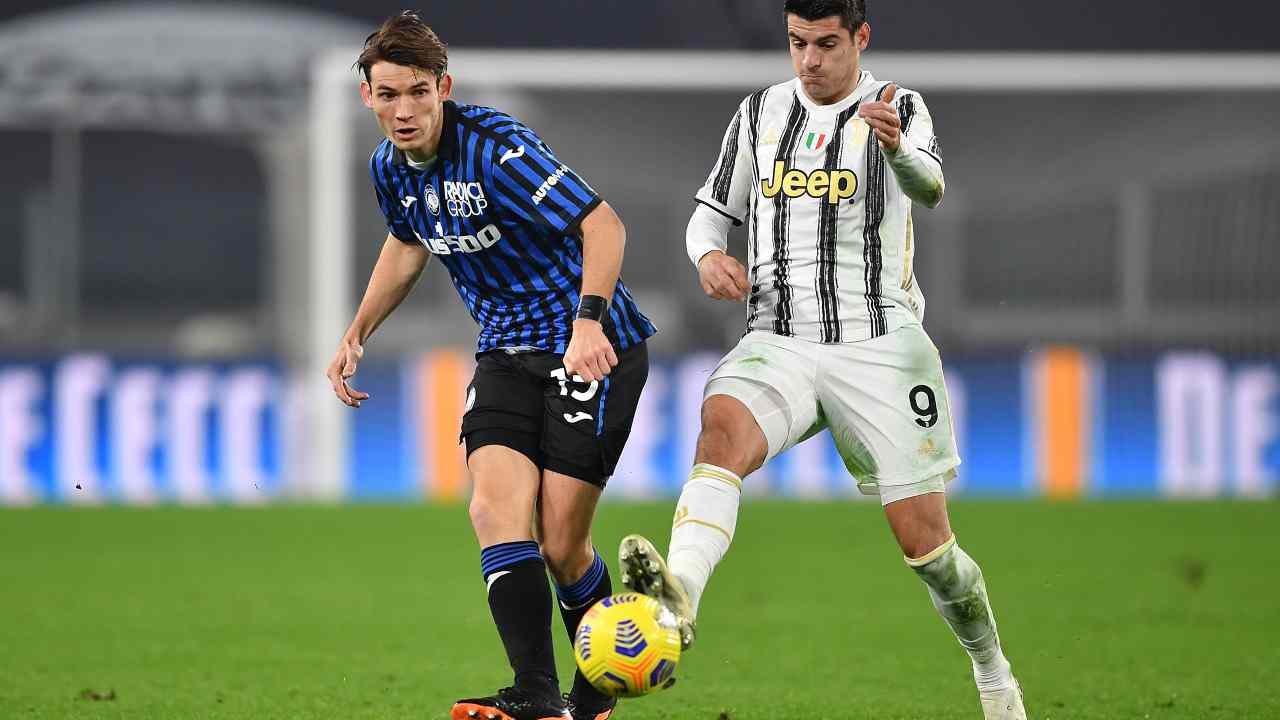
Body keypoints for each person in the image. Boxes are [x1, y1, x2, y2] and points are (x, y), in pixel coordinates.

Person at [617, 2, 1026, 718]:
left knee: (929, 551)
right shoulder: (758, 114)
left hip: (881, 348)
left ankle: (991, 669)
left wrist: (897, 148)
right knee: (719, 429)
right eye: (798, 43)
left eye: (826, 43)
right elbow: (712, 212)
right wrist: (708, 254)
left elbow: (929, 187)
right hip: (780, 339)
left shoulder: (899, 107)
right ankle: (678, 601)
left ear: (860, 38)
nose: (809, 59)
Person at [326, 12, 656, 720]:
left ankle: (597, 695)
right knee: (493, 509)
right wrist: (357, 330)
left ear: (443, 86)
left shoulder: (500, 151)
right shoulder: (389, 165)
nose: (404, 110)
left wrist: (588, 322)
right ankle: (537, 696)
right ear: (368, 98)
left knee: (565, 544)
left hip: (594, 348)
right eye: (388, 95)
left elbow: (603, 225)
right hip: (506, 351)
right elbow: (408, 241)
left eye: (418, 92)